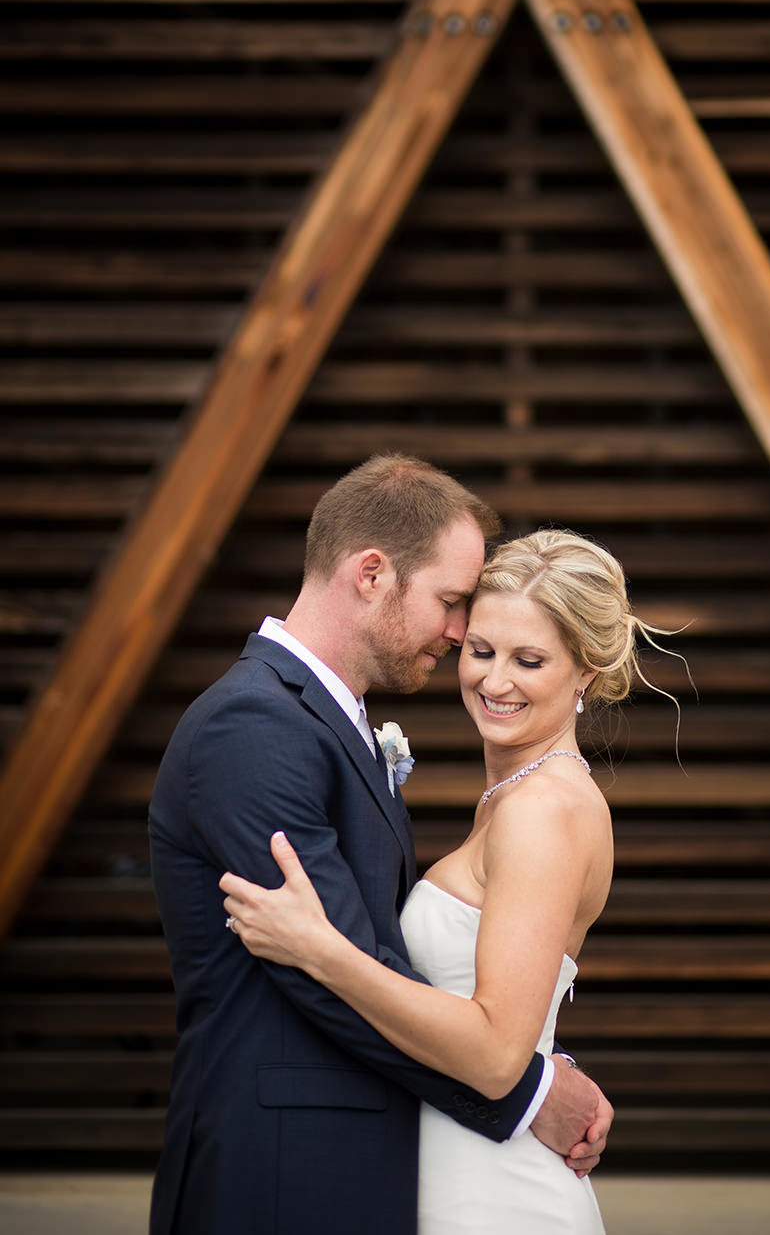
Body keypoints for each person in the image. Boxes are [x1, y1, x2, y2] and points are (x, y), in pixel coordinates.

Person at [147, 455, 612, 1235]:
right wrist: (529, 1090)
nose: (462, 634)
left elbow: (350, 956)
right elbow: (329, 978)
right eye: (452, 604)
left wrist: (523, 1062)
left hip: (394, 1169)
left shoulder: (519, 797)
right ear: (371, 574)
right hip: (279, 1169)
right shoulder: (254, 726)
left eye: (527, 658)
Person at [220, 528, 666, 1235]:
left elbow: (493, 1055)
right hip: (448, 1163)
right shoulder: (517, 797)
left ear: (585, 672)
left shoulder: (544, 812)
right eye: (481, 651)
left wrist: (320, 949)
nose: (494, 681)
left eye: (530, 660)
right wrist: (552, 1066)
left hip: (494, 1194)